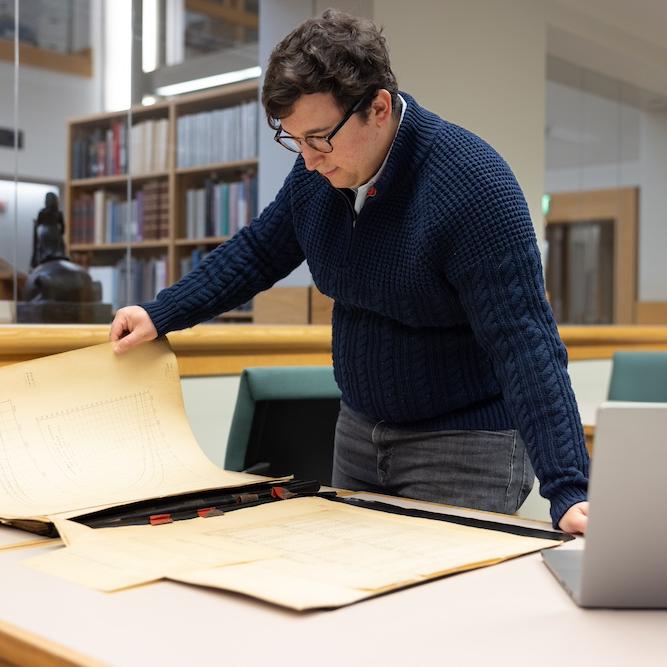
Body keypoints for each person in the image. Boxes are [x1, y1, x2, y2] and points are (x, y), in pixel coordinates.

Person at [110, 9, 589, 534]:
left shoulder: (474, 186)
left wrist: (568, 489)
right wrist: (160, 313)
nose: (309, 160)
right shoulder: (320, 173)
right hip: (359, 433)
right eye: (293, 140)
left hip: (464, 447)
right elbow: (257, 253)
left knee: (434, 606)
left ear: (378, 108)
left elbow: (525, 343)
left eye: (320, 138)